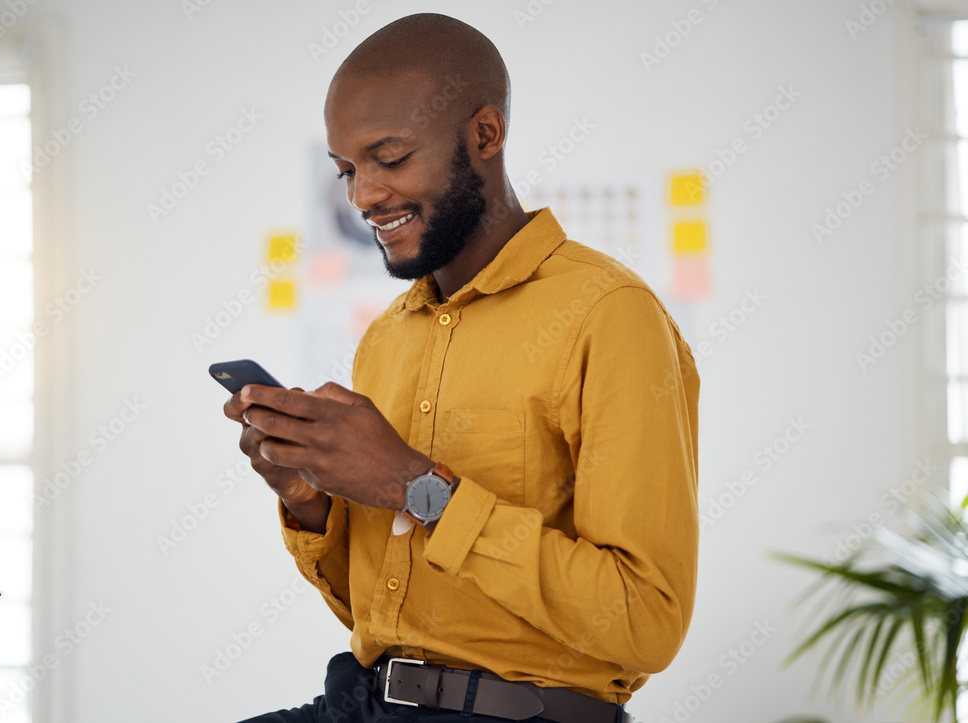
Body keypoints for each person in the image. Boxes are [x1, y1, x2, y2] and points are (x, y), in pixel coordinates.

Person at [223, 12, 700, 723]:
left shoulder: (610, 315)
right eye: (348, 170)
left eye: (389, 158)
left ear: (485, 136)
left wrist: (422, 488)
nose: (363, 197)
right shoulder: (386, 338)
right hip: (361, 700)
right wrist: (307, 499)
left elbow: (644, 619)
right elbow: (383, 614)